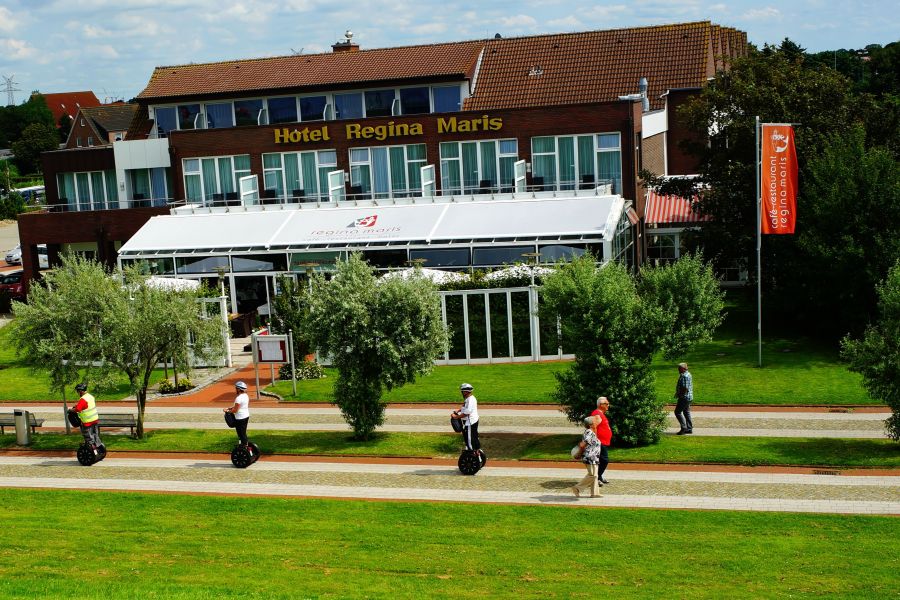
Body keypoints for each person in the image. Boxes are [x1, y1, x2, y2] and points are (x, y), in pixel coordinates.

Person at [572, 415, 602, 498]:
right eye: (595, 421)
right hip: (590, 457)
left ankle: (595, 493)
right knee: (593, 475)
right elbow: (582, 445)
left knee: (595, 475)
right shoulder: (589, 432)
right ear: (591, 424)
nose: (596, 422)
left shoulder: (590, 431)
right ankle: (577, 488)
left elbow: (600, 420)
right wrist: (579, 454)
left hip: (594, 457)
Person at [72, 382, 104, 454]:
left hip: (87, 422)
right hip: (95, 420)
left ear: (80, 391)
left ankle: (93, 451)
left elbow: (77, 409)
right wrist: (77, 406)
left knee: (88, 437)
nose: (78, 393)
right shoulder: (90, 396)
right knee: (95, 434)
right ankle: (99, 447)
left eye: (78, 391)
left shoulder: (83, 399)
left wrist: (71, 410)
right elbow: (86, 406)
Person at [451, 383, 482, 457]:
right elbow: (464, 406)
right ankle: (477, 450)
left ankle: (472, 452)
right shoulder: (469, 399)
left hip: (470, 422)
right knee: (474, 436)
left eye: (462, 391)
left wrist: (456, 417)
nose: (461, 393)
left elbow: (467, 413)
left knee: (469, 439)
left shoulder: (470, 400)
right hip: (472, 421)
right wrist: (458, 411)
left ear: (466, 392)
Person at [590, 396, 612, 484]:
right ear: (600, 404)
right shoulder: (597, 414)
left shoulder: (600, 413)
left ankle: (599, 477)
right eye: (606, 404)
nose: (608, 405)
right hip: (600, 442)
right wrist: (596, 440)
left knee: (601, 460)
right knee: (605, 460)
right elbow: (593, 427)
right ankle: (596, 478)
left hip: (603, 441)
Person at [225, 380, 250, 446]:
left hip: (240, 418)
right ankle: (245, 445)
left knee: (241, 434)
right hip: (246, 416)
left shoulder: (238, 398)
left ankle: (244, 447)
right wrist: (230, 408)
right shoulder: (246, 396)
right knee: (243, 433)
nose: (235, 389)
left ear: (239, 389)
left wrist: (227, 411)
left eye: (236, 388)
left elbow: (235, 410)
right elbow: (239, 406)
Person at [674, 362, 693, 434]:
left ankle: (684, 428)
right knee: (686, 412)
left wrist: (679, 395)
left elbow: (685, 389)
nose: (678, 369)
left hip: (684, 397)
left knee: (677, 412)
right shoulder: (688, 374)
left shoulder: (685, 376)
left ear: (683, 368)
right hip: (689, 397)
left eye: (679, 368)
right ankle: (689, 428)